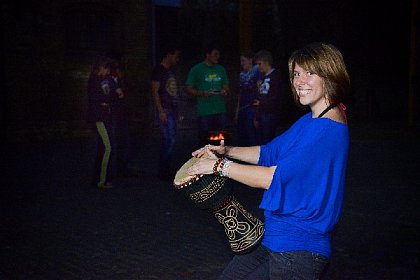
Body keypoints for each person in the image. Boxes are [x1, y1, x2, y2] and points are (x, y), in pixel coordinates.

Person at [187, 42, 350, 279]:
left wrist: (218, 167)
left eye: (310, 73)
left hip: (298, 249)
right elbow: (268, 153)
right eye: (296, 74)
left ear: (330, 75)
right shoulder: (312, 120)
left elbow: (272, 177)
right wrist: (226, 150)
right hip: (275, 237)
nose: (299, 81)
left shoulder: (326, 129)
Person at [87, 56, 122, 189]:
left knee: (103, 147)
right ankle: (101, 181)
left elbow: (114, 91)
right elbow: (96, 99)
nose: (107, 72)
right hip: (99, 118)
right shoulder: (94, 80)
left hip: (106, 117)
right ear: (100, 68)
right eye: (105, 69)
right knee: (107, 147)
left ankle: (99, 179)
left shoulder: (105, 80)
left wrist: (116, 92)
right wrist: (106, 102)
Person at [186, 45, 229, 148]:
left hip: (220, 109)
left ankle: (219, 160)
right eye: (215, 54)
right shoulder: (196, 69)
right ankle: (204, 161)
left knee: (220, 138)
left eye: (218, 54)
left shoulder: (221, 69)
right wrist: (202, 93)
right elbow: (189, 88)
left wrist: (224, 91)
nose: (217, 57)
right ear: (208, 55)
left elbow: (226, 86)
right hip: (204, 111)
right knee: (204, 139)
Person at [151, 47, 181, 181]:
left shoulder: (169, 71)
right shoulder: (159, 70)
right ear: (169, 54)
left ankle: (165, 169)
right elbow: (155, 91)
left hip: (171, 109)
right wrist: (160, 110)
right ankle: (163, 170)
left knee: (171, 140)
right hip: (165, 110)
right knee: (169, 139)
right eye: (175, 56)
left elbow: (172, 92)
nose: (177, 59)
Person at [253, 49, 283, 144]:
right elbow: (260, 95)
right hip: (261, 113)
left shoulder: (275, 76)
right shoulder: (262, 77)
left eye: (260, 64)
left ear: (267, 62)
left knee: (268, 141)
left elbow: (277, 97)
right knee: (261, 140)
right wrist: (256, 117)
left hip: (270, 114)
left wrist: (262, 102)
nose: (258, 67)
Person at [234, 51, 260, 146]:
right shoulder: (242, 75)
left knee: (251, 135)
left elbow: (260, 89)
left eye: (243, 61)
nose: (242, 63)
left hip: (252, 108)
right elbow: (240, 93)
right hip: (243, 108)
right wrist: (237, 111)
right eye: (240, 61)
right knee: (241, 135)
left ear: (250, 60)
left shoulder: (257, 71)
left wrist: (257, 112)